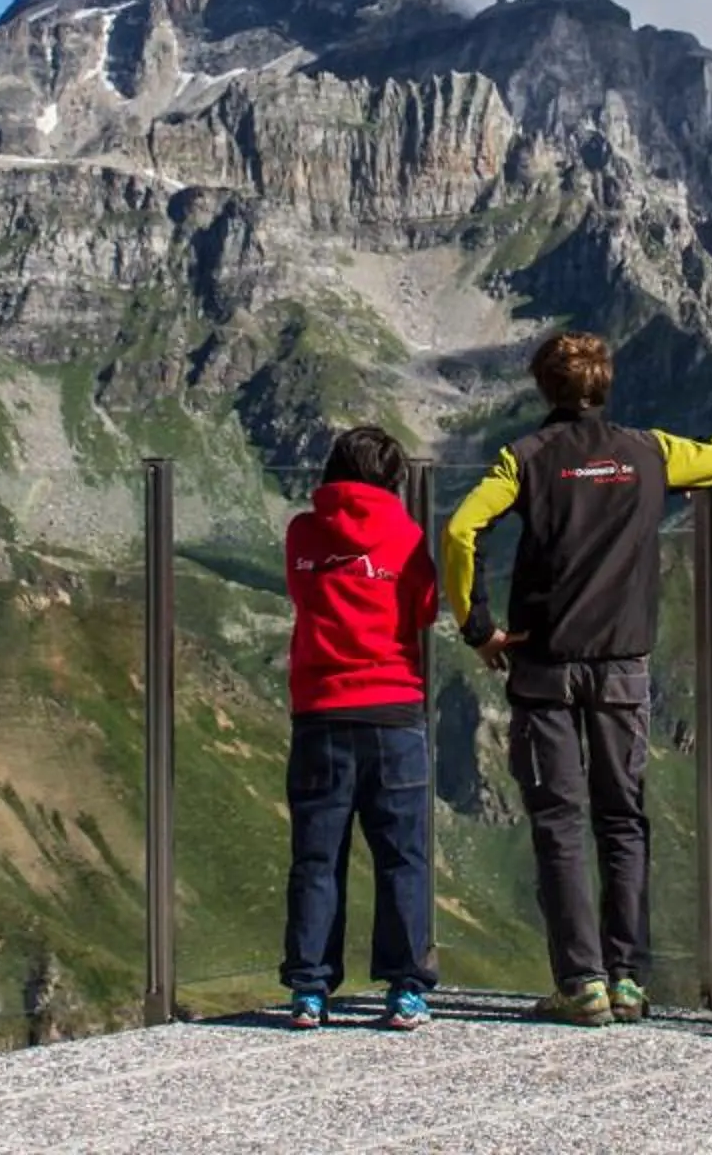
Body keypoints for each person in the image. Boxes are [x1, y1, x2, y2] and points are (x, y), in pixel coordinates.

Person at [441, 331, 712, 1026]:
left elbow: (461, 530)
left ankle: (580, 984)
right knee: (623, 821)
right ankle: (628, 980)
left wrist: (478, 627)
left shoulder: (522, 458)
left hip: (543, 663)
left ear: (544, 388)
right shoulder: (650, 451)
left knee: (558, 822)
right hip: (622, 663)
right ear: (606, 386)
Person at [279, 423, 440, 1031]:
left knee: (317, 856)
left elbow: (302, 591)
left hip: (320, 712)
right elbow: (424, 607)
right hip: (394, 712)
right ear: (393, 479)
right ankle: (405, 990)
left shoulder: (302, 530)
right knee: (403, 855)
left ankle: (310, 990)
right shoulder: (405, 534)